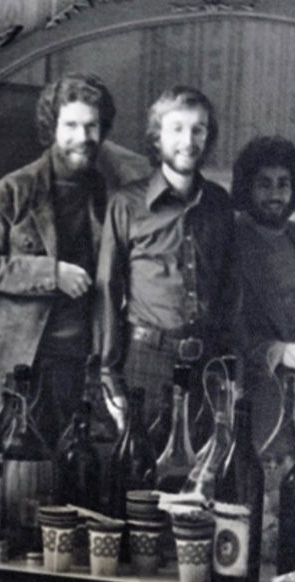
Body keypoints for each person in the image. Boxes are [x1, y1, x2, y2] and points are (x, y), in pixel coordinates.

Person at [0, 73, 116, 444]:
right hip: (17, 360)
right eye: (71, 125)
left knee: (65, 476)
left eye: (92, 126)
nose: (82, 137)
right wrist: (50, 273)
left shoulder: (105, 192)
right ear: (51, 128)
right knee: (11, 473)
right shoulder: (15, 189)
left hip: (77, 365)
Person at [94, 85, 235, 428]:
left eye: (198, 129)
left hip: (208, 363)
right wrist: (108, 372)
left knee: (202, 474)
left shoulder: (219, 203)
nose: (188, 140)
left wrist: (231, 367)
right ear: (157, 138)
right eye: (177, 129)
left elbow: (231, 289)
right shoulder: (127, 203)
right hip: (145, 359)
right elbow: (107, 288)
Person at [228, 135, 295, 448]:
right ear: (247, 188)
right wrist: (282, 351)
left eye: (283, 183)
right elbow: (226, 330)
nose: (275, 194)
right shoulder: (231, 240)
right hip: (253, 393)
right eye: (264, 184)